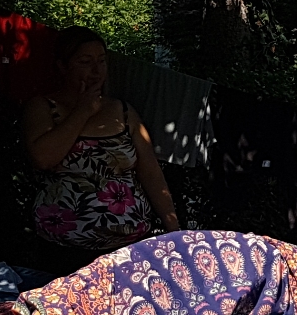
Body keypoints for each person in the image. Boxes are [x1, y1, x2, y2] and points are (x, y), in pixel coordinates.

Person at [21, 27, 180, 267]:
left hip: (127, 248)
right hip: (64, 252)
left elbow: (151, 173)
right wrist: (83, 111)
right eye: (85, 62)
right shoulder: (42, 107)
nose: (96, 71)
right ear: (63, 66)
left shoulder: (123, 111)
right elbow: (43, 158)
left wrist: (175, 232)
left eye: (102, 62)